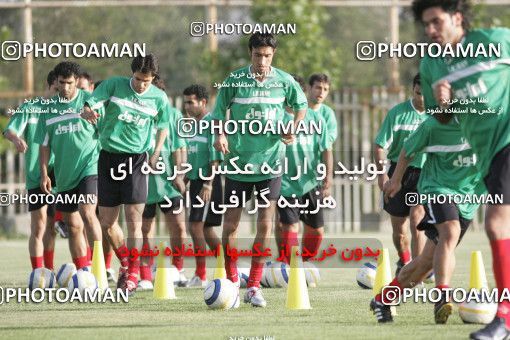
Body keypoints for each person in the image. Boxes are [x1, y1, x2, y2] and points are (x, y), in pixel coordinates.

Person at [412, 1, 510, 337]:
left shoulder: (496, 40)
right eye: (426, 25)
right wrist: (445, 103)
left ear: (457, 18)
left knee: (496, 224)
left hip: (506, 140)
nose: (430, 31)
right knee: (498, 226)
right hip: (488, 155)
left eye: (436, 22)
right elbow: (441, 118)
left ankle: (505, 319)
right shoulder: (431, 66)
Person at [212, 33, 308, 307]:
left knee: (266, 225)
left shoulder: (284, 81)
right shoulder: (234, 80)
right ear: (250, 53)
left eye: (267, 55)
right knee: (230, 225)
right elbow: (219, 111)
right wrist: (219, 134)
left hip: (271, 163)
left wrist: (294, 126)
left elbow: (300, 105)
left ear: (273, 55)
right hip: (238, 163)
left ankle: (253, 285)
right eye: (258, 55)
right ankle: (232, 279)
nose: (262, 60)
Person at [372, 113, 483, 324]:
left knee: (426, 263)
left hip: (469, 199)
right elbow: (407, 150)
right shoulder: (434, 125)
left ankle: (383, 299)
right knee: (450, 232)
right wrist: (395, 180)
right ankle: (442, 296)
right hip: (436, 187)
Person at [81, 54, 171, 295]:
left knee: (134, 220)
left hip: (137, 160)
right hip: (109, 157)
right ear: (132, 74)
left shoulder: (159, 98)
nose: (142, 84)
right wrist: (87, 110)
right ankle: (125, 264)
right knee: (107, 223)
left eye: (147, 80)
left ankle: (133, 273)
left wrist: (156, 153)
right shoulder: (113, 85)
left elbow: (163, 126)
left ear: (153, 78)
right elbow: (92, 102)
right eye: (139, 79)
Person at [36, 61, 102, 272]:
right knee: (73, 226)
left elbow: (107, 131)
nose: (65, 87)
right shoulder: (48, 109)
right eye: (62, 83)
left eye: (70, 83)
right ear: (56, 82)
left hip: (89, 167)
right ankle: (84, 272)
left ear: (77, 82)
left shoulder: (90, 101)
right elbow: (44, 145)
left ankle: (99, 269)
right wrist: (45, 173)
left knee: (88, 213)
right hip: (64, 176)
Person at [3, 70, 63, 272]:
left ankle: (51, 269)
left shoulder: (65, 109)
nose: (60, 92)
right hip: (36, 175)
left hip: (61, 175)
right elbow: (9, 130)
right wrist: (16, 138)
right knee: (39, 225)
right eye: (56, 88)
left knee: (54, 226)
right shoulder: (30, 108)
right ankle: (38, 274)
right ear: (49, 86)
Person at [276, 74, 333, 264]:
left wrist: (328, 179)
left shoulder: (318, 119)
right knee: (290, 227)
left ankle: (304, 263)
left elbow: (326, 150)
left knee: (316, 231)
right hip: (284, 183)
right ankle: (294, 268)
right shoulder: (275, 119)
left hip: (310, 182)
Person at [138, 75, 188, 290]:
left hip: (168, 184)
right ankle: (145, 274)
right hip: (142, 184)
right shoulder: (138, 113)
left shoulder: (173, 115)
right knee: (143, 230)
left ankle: (178, 268)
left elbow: (179, 147)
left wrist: (179, 175)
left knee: (178, 227)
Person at [374, 74, 427, 275]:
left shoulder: (437, 115)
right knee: (400, 231)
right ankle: (404, 260)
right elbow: (380, 145)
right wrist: (382, 175)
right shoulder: (397, 114)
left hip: (425, 173)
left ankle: (418, 270)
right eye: (418, 93)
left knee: (417, 220)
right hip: (397, 172)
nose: (422, 98)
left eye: (426, 94)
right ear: (412, 90)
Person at [182, 84, 224, 287]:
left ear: (203, 102)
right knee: (206, 230)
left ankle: (201, 275)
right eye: (185, 102)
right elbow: (193, 156)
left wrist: (208, 183)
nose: (187, 106)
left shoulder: (211, 124)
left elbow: (214, 158)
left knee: (195, 226)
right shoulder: (191, 125)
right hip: (196, 181)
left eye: (191, 102)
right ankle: (229, 264)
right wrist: (185, 179)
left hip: (209, 182)